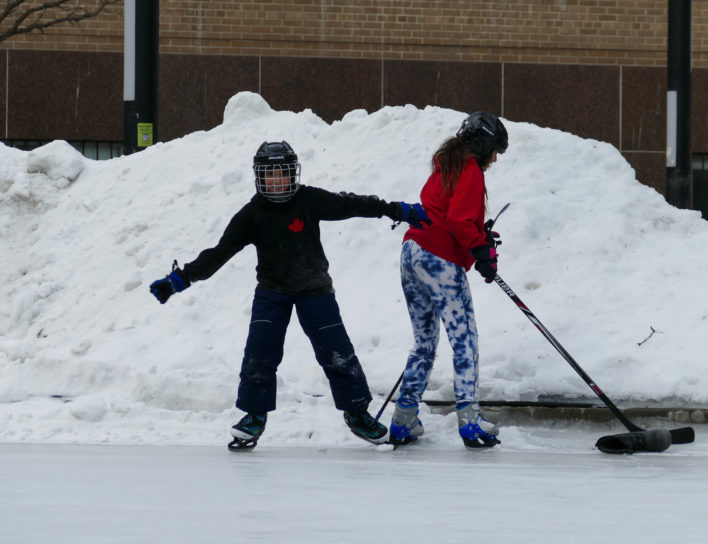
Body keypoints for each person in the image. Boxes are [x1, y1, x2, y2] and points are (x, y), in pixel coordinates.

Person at [148, 140, 430, 450]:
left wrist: (397, 210)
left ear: (293, 174)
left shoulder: (308, 200)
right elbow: (219, 253)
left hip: (315, 291)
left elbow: (350, 204)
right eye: (270, 175)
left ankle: (357, 413)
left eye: (283, 174)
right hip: (272, 292)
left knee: (338, 352)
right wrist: (180, 279)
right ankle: (254, 416)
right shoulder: (252, 214)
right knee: (260, 354)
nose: (277, 181)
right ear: (259, 177)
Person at [388, 111, 508, 449]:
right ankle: (470, 423)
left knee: (424, 343)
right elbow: (457, 219)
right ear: (482, 144)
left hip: (411, 253)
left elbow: (446, 213)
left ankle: (403, 420)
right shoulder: (469, 170)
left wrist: (477, 241)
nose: (495, 158)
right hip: (439, 258)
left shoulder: (445, 167)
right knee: (464, 340)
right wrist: (482, 250)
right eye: (495, 150)